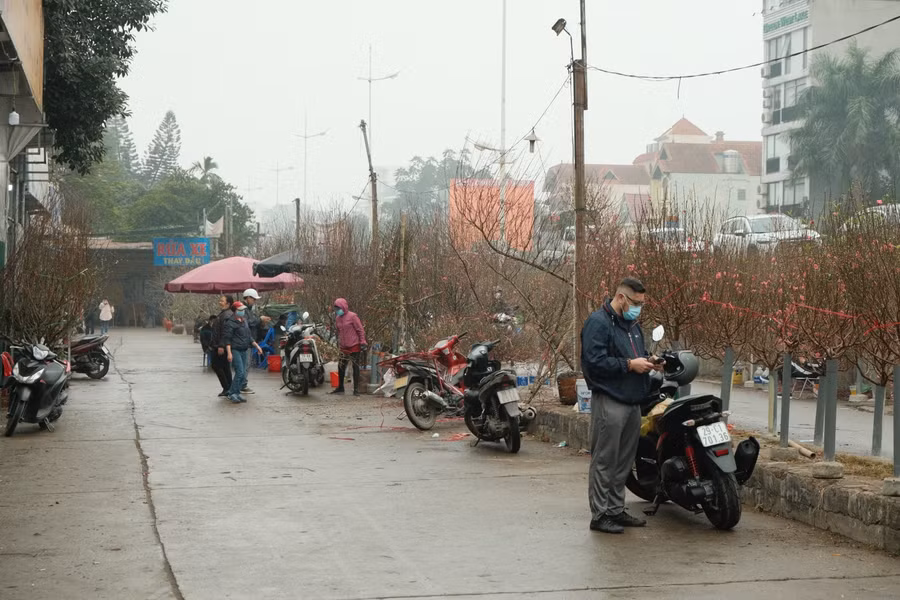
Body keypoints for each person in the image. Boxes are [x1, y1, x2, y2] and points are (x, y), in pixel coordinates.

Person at [581, 277, 663, 534]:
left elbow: (633, 355)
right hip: (610, 399)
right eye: (636, 302)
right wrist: (629, 365)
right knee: (605, 459)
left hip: (632, 401)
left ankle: (616, 509)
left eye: (642, 303)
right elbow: (594, 363)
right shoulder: (598, 323)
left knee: (624, 461)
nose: (639, 307)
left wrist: (649, 361)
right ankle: (600, 514)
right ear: (621, 298)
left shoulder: (632, 326)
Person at [224, 301, 262, 404]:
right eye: (240, 310)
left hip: (244, 349)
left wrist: (257, 346)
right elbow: (227, 339)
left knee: (243, 373)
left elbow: (248, 336)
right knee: (240, 372)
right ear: (235, 310)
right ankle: (232, 393)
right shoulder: (230, 323)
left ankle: (236, 392)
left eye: (243, 310)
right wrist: (229, 353)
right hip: (235, 349)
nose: (242, 312)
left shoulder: (244, 321)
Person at [331, 298, 367, 397]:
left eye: (338, 308)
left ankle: (356, 389)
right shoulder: (338, 318)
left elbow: (360, 330)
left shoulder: (353, 316)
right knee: (341, 366)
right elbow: (338, 331)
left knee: (355, 367)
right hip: (343, 347)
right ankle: (340, 387)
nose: (337, 310)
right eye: (336, 308)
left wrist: (362, 341)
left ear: (343, 307)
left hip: (354, 345)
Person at [210, 295, 235, 397]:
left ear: (228, 303)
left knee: (216, 365)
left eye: (222, 301)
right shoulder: (224, 314)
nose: (220, 302)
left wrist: (221, 345)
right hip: (220, 344)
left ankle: (226, 387)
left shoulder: (227, 315)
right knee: (225, 367)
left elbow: (226, 332)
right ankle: (228, 387)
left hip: (221, 345)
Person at [241, 288, 263, 394]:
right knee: (245, 364)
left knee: (246, 364)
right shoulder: (243, 310)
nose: (255, 301)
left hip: (248, 341)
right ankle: (242, 385)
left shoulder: (248, 310)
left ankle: (242, 384)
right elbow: (248, 323)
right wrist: (260, 320)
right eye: (254, 299)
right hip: (245, 341)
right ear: (248, 298)